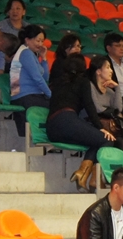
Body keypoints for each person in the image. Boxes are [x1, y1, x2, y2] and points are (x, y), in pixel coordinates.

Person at [48, 54, 113, 192]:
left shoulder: (58, 81)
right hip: (67, 120)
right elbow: (90, 107)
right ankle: (91, 178)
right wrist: (100, 128)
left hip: (52, 127)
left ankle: (83, 175)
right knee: (106, 140)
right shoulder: (83, 82)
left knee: (95, 142)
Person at [9, 24, 51, 137]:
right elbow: (38, 79)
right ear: (27, 40)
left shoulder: (31, 54)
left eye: (42, 41)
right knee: (57, 107)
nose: (40, 44)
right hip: (24, 96)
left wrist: (44, 58)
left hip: (32, 95)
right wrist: (51, 95)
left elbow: (45, 78)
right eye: (38, 40)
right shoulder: (25, 53)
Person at [103, 33, 123, 106]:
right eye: (118, 46)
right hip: (114, 101)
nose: (122, 49)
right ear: (108, 48)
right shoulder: (103, 64)